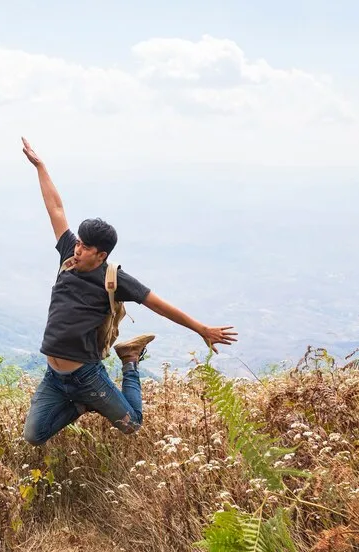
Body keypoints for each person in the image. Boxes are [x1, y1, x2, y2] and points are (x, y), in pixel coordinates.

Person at [20, 136, 239, 446]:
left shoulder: (114, 278)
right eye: (78, 242)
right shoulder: (69, 255)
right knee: (34, 435)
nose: (78, 248)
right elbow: (55, 208)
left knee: (132, 423)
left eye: (86, 246)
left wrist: (201, 328)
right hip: (54, 376)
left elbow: (158, 305)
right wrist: (41, 166)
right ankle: (84, 405)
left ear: (102, 254)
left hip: (87, 375)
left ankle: (130, 358)